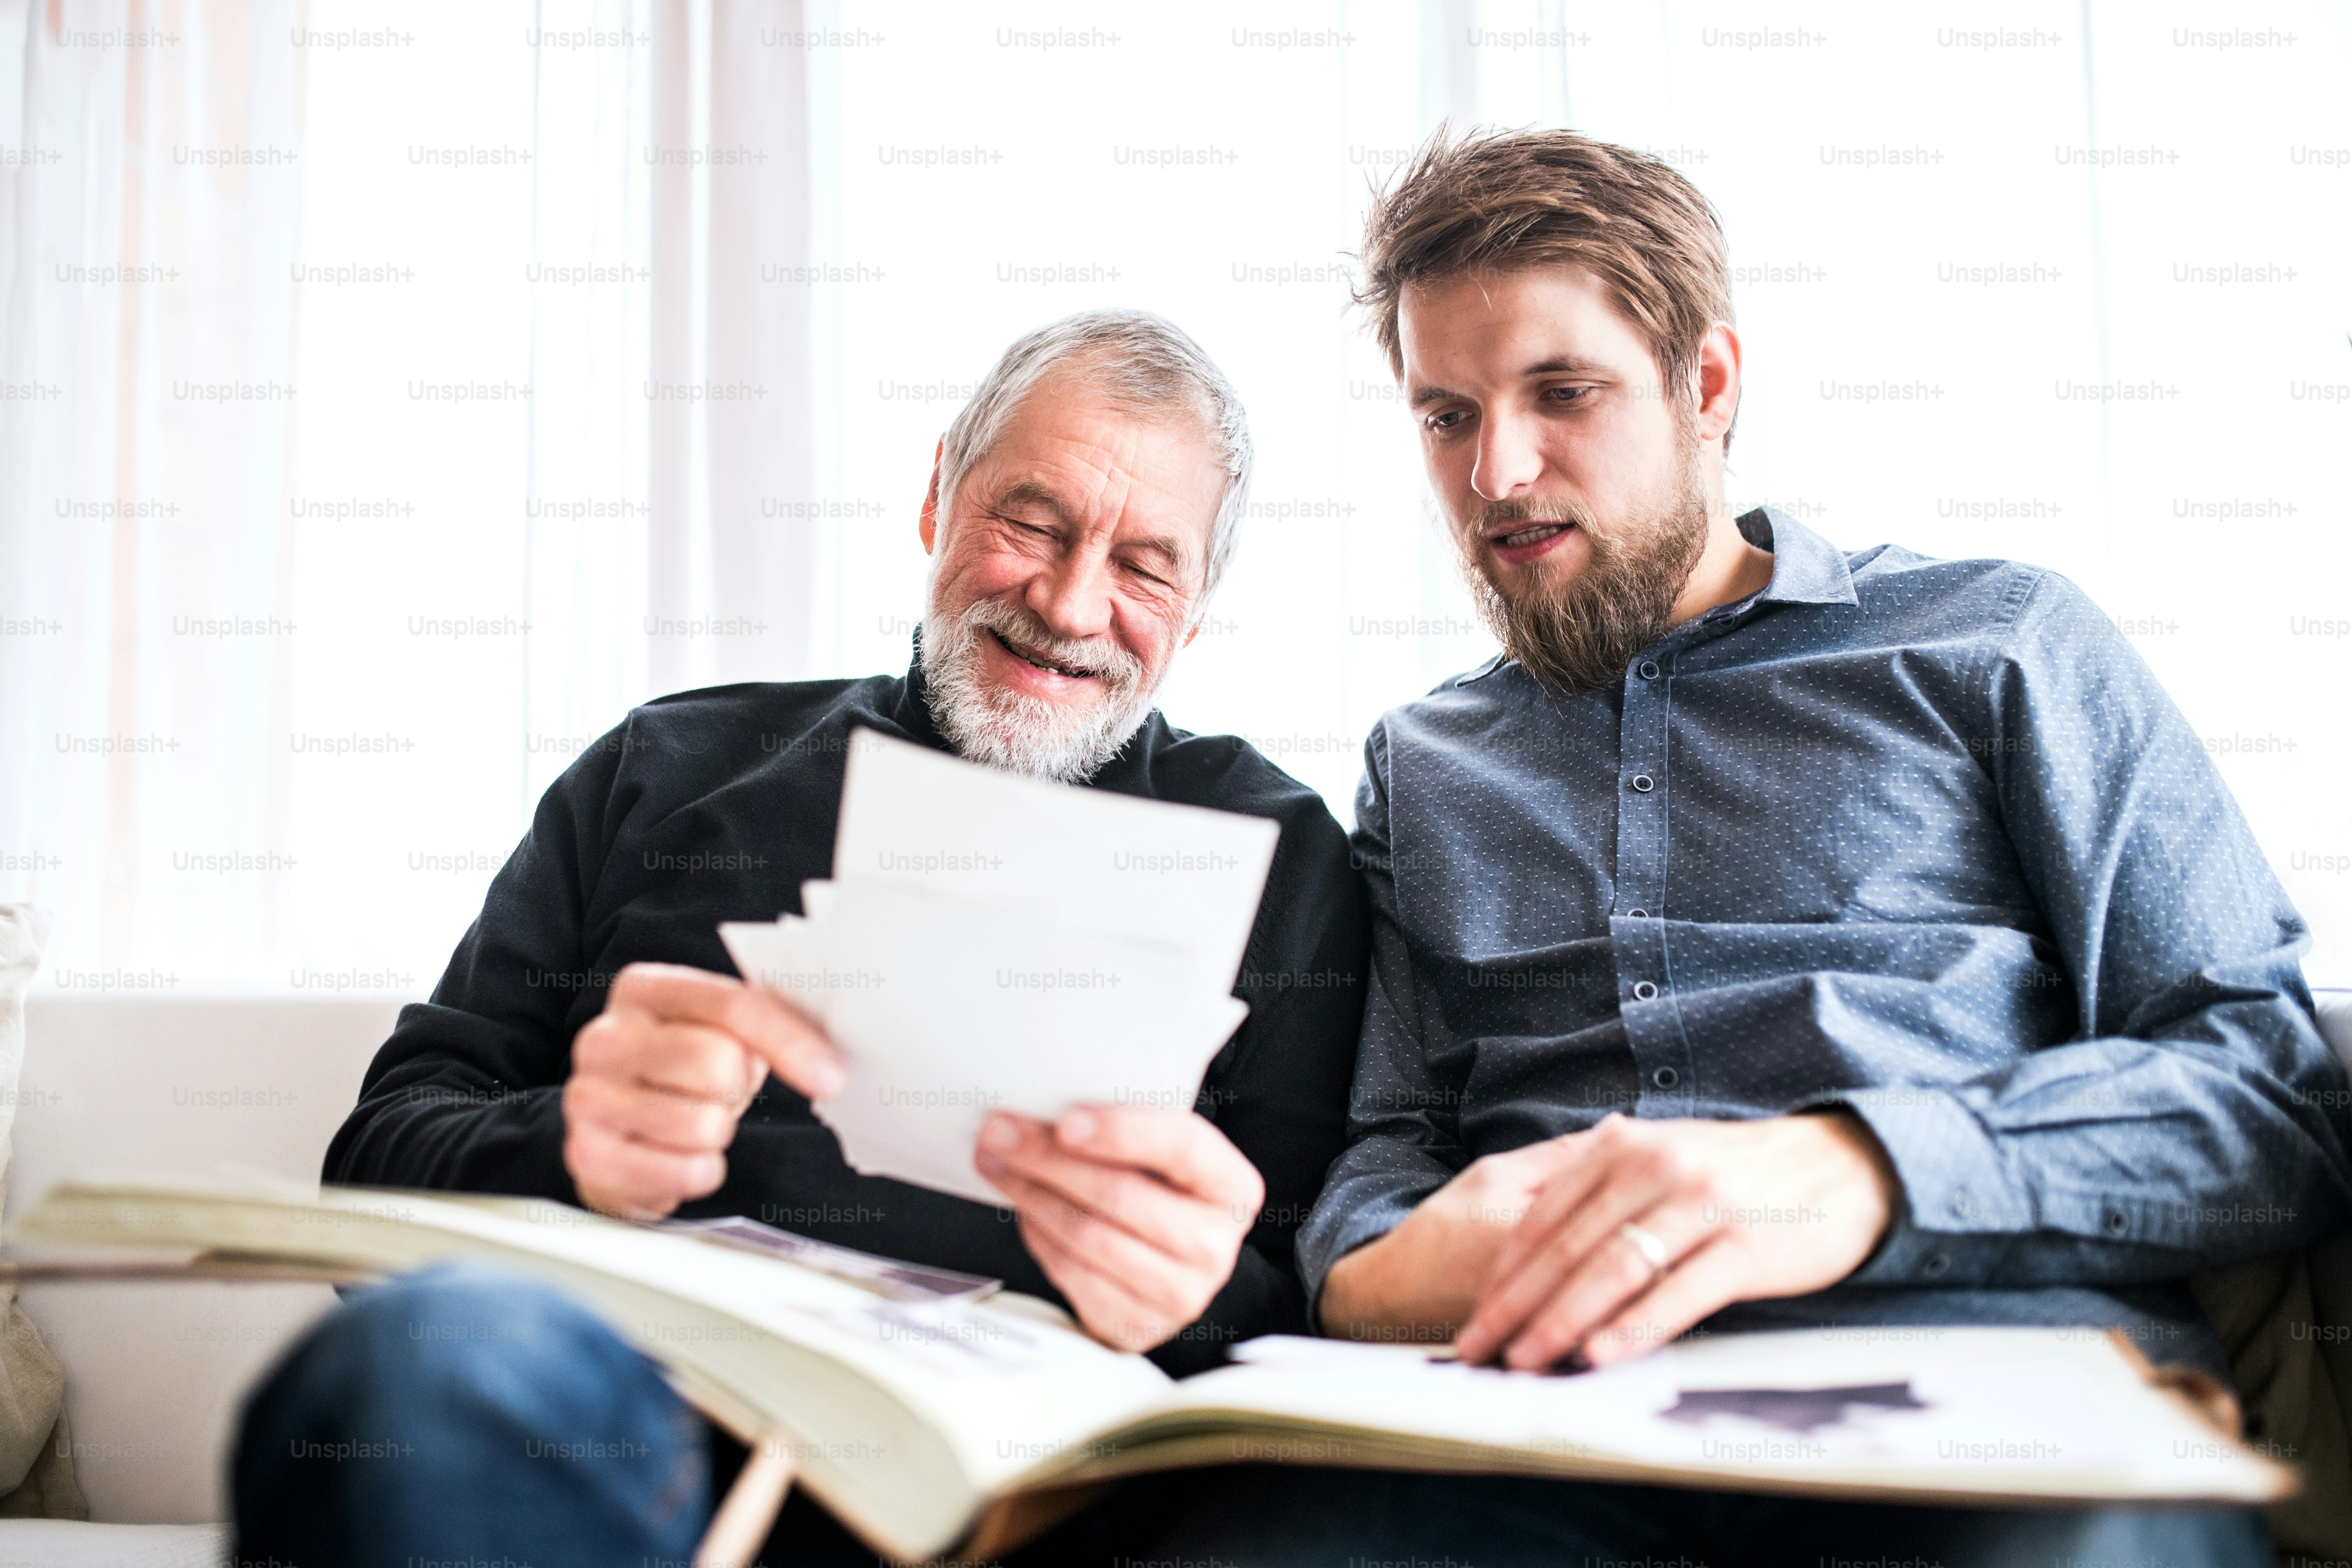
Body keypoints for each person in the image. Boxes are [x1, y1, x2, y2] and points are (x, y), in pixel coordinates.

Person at [1132, 128, 2352, 1568]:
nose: (1499, 471)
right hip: (1529, 1426)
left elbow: (2265, 1092)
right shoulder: (1425, 763)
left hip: (1978, 1418)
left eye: (1561, 393)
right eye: (1446, 416)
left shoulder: (1999, 644)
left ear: (1705, 385)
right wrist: (1375, 1270)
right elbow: (1395, 1139)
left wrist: (1864, 1173)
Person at [231, 309, 1371, 1567]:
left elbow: (1318, 1305)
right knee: (417, 1362)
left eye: (1146, 565)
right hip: (632, 1422)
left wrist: (1194, 1294)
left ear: (1198, 607)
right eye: (1030, 524)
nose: (1068, 601)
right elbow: (374, 1164)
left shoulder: (1277, 853)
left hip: (1034, 1483)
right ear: (939, 497)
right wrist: (569, 1148)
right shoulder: (665, 769)